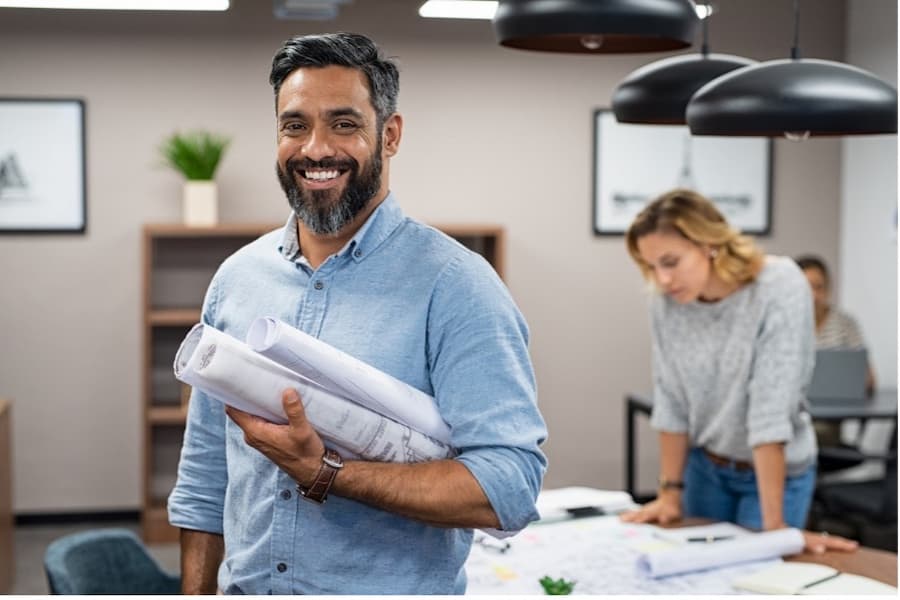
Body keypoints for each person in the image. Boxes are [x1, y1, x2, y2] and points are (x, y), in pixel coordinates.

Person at [167, 32, 547, 595]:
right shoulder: (236, 279)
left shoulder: (457, 286)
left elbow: (509, 487)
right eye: (295, 125)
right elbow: (205, 476)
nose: (315, 148)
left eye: (343, 124)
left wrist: (327, 473)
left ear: (389, 135)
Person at [619, 189, 857, 554]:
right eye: (651, 266)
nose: (662, 279)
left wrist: (775, 527)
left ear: (709, 244)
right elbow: (671, 398)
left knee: (758, 578)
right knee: (697, 578)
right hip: (706, 467)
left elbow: (770, 409)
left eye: (670, 261)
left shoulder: (778, 286)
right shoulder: (666, 302)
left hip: (776, 474)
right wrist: (669, 494)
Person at [794, 254, 876, 394]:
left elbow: (869, 379)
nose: (813, 295)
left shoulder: (846, 323)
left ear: (828, 288)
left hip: (837, 408)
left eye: (818, 287)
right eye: (806, 287)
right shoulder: (783, 325)